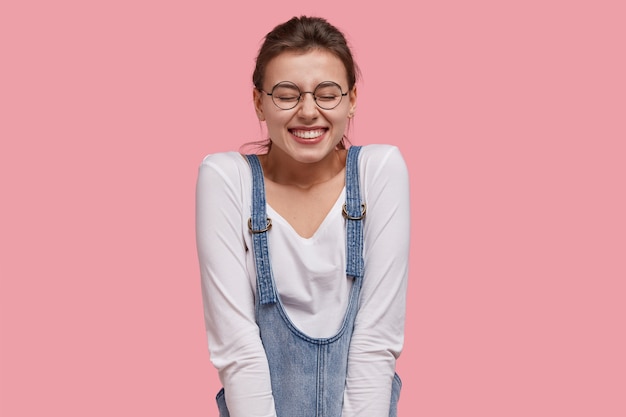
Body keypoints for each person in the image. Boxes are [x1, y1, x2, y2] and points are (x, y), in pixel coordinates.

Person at [196, 15, 410, 417]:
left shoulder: (380, 170)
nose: (308, 112)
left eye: (327, 93)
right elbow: (238, 350)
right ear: (259, 101)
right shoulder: (227, 179)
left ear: (352, 100)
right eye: (286, 94)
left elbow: (375, 341)